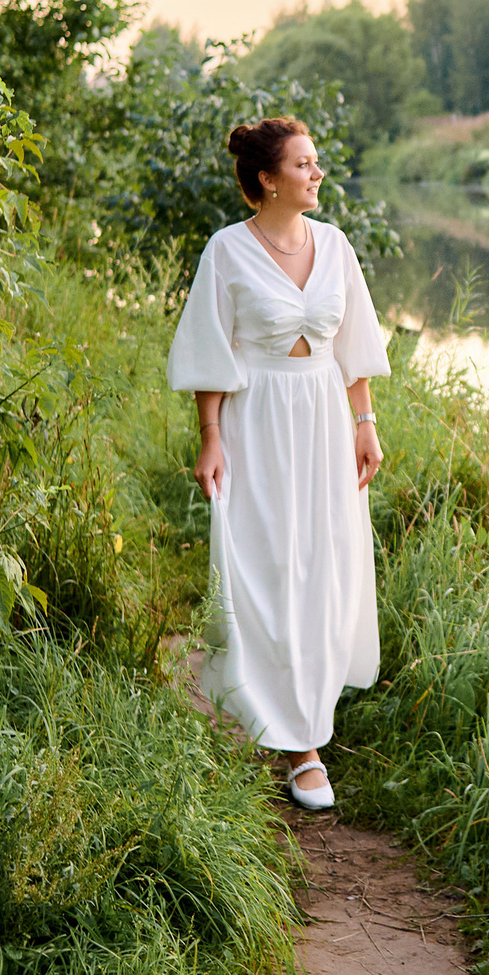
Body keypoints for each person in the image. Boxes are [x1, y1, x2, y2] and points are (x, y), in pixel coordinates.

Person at [166, 117, 390, 810]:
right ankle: (294, 743)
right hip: (255, 420)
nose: (317, 174)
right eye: (303, 164)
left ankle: (303, 728)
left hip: (323, 420)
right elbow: (210, 351)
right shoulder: (227, 251)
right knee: (265, 568)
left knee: (323, 568)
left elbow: (354, 348)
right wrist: (210, 436)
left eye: (316, 163)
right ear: (267, 179)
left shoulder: (336, 246)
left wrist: (365, 424)